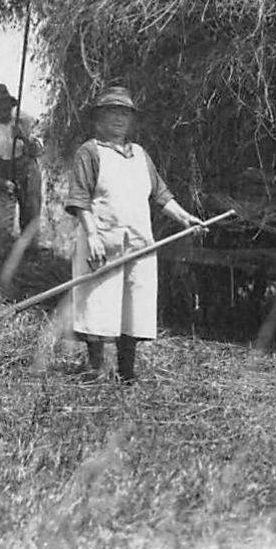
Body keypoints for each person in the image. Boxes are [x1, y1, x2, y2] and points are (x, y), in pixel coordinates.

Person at [63, 86, 204, 384]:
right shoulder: (90, 152)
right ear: (98, 118)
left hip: (139, 244)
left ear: (131, 120)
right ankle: (96, 370)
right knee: (97, 303)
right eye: (112, 111)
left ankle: (127, 372)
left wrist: (185, 218)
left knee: (134, 305)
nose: (118, 118)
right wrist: (92, 237)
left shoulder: (140, 155)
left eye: (124, 113)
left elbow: (161, 196)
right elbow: (80, 200)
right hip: (101, 243)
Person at [0, 83, 42, 239]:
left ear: (11, 105)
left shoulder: (25, 123)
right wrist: (3, 183)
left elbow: (38, 151)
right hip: (3, 181)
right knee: (2, 232)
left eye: (6, 104)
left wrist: (23, 138)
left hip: (28, 178)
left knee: (30, 224)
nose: (4, 109)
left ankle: (30, 256)